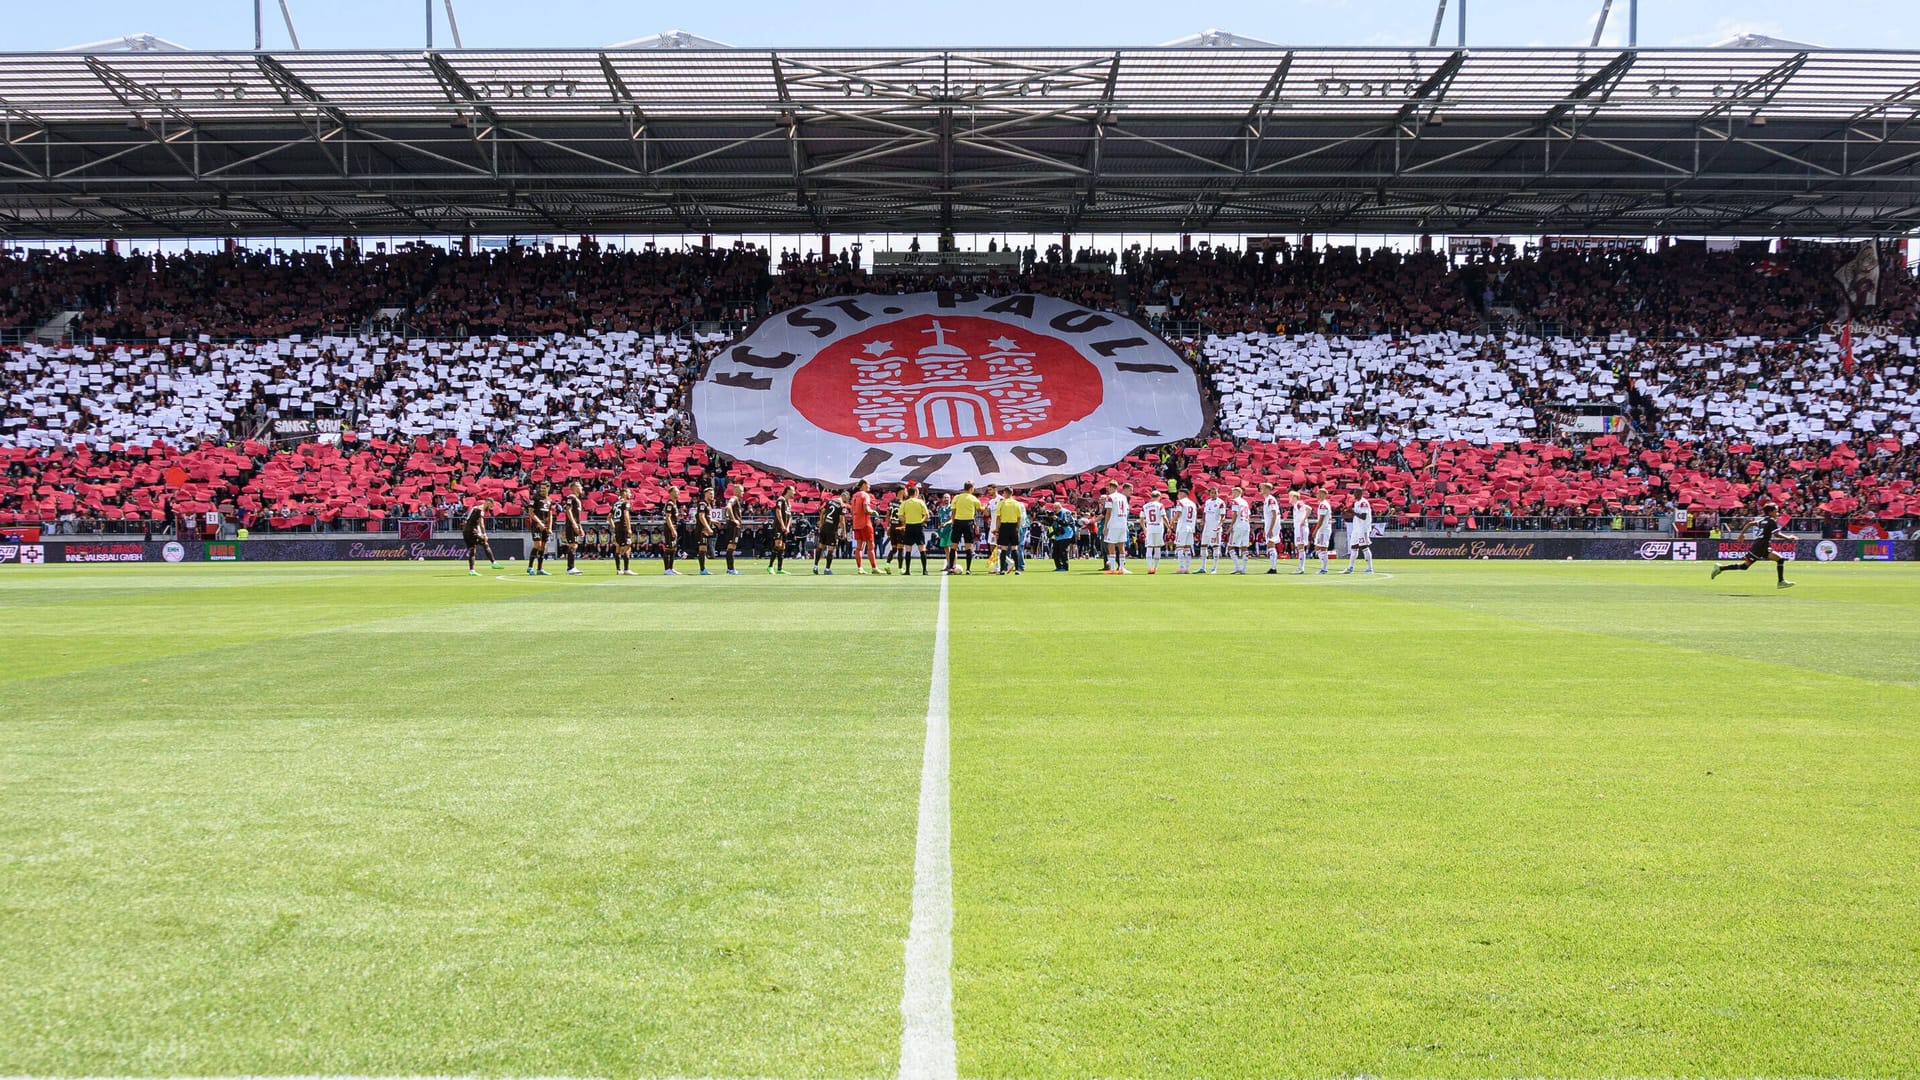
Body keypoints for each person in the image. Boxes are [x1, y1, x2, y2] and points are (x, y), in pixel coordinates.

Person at [1711, 503, 1796, 588]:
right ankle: (1720, 568)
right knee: (1745, 566)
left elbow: (1750, 523)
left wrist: (1742, 534)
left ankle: (1781, 582)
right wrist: (1789, 538)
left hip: (1763, 546)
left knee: (1780, 559)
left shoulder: (1763, 520)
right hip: (1759, 547)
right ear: (1770, 512)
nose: (1777, 513)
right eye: (1776, 511)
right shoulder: (1771, 521)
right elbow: (1776, 534)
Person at [946, 481, 981, 574]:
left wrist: (953, 523)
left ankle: (950, 568)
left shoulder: (957, 498)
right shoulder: (974, 499)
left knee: (953, 545)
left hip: (958, 522)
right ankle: (968, 569)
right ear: (971, 488)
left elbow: (953, 512)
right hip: (968, 523)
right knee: (968, 546)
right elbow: (980, 509)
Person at [849, 479, 879, 574]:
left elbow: (852, 510)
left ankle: (860, 568)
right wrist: (873, 512)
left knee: (859, 547)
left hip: (856, 523)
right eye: (868, 484)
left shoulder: (854, 495)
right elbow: (866, 509)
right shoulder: (865, 495)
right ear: (864, 484)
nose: (869, 486)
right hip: (865, 523)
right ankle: (874, 568)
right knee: (871, 546)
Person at [899, 484, 931, 575]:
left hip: (909, 526)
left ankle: (908, 570)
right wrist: (921, 521)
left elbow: (900, 516)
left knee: (908, 549)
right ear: (916, 493)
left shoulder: (904, 503)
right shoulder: (920, 502)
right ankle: (924, 570)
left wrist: (906, 522)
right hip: (918, 526)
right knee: (922, 548)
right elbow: (927, 515)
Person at [1101, 481, 1131, 574]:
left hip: (1114, 524)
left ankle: (1113, 568)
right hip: (1122, 523)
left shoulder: (1110, 497)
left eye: (1108, 487)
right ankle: (1122, 568)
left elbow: (1108, 512)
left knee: (1111, 545)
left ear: (1111, 487)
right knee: (1121, 545)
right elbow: (1126, 510)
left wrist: (1105, 526)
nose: (1107, 489)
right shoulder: (1123, 497)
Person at [463, 497, 499, 575]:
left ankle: (471, 571)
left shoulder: (475, 508)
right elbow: (481, 524)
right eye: (491, 506)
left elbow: (469, 520)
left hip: (465, 531)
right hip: (472, 531)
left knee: (472, 550)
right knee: (485, 543)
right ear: (488, 502)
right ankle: (494, 563)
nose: (490, 509)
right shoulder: (480, 510)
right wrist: (484, 534)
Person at [1342, 491, 1375, 574]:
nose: (1354, 495)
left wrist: (1352, 512)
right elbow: (1356, 515)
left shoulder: (1364, 503)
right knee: (1354, 547)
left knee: (1364, 547)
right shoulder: (1357, 503)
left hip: (1363, 528)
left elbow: (1363, 517)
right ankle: (1350, 567)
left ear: (1360, 493)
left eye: (1356, 493)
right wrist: (1347, 513)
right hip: (1356, 528)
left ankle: (1370, 568)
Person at [814, 492, 845, 575]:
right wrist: (844, 532)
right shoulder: (842, 506)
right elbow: (842, 520)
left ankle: (815, 566)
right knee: (831, 549)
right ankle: (827, 569)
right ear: (845, 497)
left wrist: (821, 522)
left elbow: (822, 511)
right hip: (832, 529)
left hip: (824, 527)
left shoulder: (829, 501)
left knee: (820, 546)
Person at [994, 487, 1024, 574]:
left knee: (1003, 548)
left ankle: (1002, 569)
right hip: (1014, 526)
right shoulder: (1017, 503)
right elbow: (1019, 518)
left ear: (1006, 493)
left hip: (1004, 526)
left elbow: (998, 517)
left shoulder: (1001, 503)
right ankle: (1017, 569)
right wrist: (1017, 528)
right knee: (1014, 548)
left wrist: (997, 528)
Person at [526, 482, 553, 576]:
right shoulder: (535, 498)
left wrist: (549, 527)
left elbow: (550, 514)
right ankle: (530, 567)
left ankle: (540, 569)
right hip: (536, 525)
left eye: (544, 488)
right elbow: (530, 512)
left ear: (548, 488)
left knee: (543, 547)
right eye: (541, 488)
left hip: (545, 526)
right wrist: (539, 522)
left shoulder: (549, 500)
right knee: (538, 545)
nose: (542, 490)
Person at [1225, 485, 1252, 574]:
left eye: (1233, 492)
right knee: (1244, 547)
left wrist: (1231, 526)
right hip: (1246, 525)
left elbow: (1235, 514)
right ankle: (1244, 568)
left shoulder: (1235, 502)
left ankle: (1237, 567)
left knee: (1230, 547)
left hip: (1238, 526)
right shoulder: (1245, 502)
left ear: (1237, 493)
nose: (1231, 494)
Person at [561, 482, 586, 575]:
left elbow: (577, 516)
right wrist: (574, 524)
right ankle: (570, 568)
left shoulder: (577, 499)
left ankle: (571, 567)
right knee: (573, 545)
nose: (582, 487)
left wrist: (580, 526)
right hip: (571, 525)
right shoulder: (571, 497)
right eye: (580, 486)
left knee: (574, 545)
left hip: (575, 525)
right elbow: (568, 510)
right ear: (574, 487)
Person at [609, 488, 635, 575]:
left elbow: (609, 517)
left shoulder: (615, 504)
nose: (630, 494)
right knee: (628, 547)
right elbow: (626, 515)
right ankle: (626, 569)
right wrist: (629, 528)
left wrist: (614, 526)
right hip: (624, 527)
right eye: (629, 492)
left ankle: (618, 569)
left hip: (617, 528)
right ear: (624, 493)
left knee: (618, 548)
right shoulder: (625, 503)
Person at [1200, 487, 1226, 574]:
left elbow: (1223, 516)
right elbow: (1205, 513)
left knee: (1215, 546)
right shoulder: (1207, 502)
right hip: (1207, 527)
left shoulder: (1221, 503)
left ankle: (1214, 568)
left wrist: (1220, 525)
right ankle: (1203, 567)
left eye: (1215, 492)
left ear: (1218, 493)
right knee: (1203, 546)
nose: (1213, 494)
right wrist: (1203, 521)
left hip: (1215, 527)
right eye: (1211, 492)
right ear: (1209, 493)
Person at [768, 485, 793, 575]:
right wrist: (782, 525)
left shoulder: (789, 503)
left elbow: (790, 516)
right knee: (778, 544)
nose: (794, 493)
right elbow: (778, 512)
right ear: (788, 490)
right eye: (793, 491)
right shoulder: (781, 499)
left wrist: (788, 527)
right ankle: (770, 566)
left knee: (783, 547)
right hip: (778, 526)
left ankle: (779, 568)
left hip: (785, 528)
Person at [1140, 490, 1166, 574]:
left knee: (1149, 547)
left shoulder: (1145, 506)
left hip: (1150, 528)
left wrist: (1144, 528)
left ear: (1151, 496)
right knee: (1157, 548)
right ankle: (1155, 568)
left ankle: (1149, 568)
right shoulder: (1160, 505)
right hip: (1158, 528)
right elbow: (1164, 517)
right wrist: (1169, 526)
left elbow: (1141, 519)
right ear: (1159, 497)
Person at [660, 484, 684, 575]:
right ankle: (667, 569)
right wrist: (672, 529)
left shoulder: (674, 504)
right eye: (676, 492)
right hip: (670, 528)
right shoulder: (670, 504)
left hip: (674, 526)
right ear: (671, 493)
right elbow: (668, 517)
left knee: (673, 548)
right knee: (669, 548)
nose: (678, 493)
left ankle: (671, 568)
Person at [1260, 481, 1283, 574]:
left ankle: (1274, 568)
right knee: (1270, 544)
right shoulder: (1267, 500)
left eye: (1263, 488)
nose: (1261, 489)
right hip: (1270, 524)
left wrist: (1270, 529)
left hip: (1272, 525)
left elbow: (1274, 515)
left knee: (1271, 543)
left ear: (1268, 489)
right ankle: (1273, 567)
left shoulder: (1270, 500)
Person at [693, 488, 717, 576]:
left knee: (704, 549)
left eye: (713, 494)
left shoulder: (708, 505)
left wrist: (714, 522)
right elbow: (701, 517)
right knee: (702, 548)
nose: (712, 495)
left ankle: (703, 569)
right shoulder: (702, 504)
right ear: (705, 494)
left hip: (705, 530)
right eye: (710, 494)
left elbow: (707, 517)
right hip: (702, 530)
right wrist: (708, 528)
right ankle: (702, 570)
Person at [1173, 489, 1197, 573]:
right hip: (1190, 527)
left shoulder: (1181, 502)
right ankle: (1187, 568)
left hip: (1182, 526)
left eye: (1179, 494)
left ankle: (1181, 567)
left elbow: (1178, 513)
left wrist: (1172, 521)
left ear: (1182, 494)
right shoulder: (1193, 503)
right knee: (1187, 548)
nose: (1178, 496)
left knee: (1179, 547)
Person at [721, 489, 744, 575]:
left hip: (733, 526)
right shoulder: (734, 498)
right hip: (733, 526)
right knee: (731, 546)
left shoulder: (737, 500)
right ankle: (730, 569)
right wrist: (734, 519)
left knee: (732, 547)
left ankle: (730, 569)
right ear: (737, 492)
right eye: (742, 491)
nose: (743, 493)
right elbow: (728, 506)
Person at [1291, 488, 1314, 574]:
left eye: (1290, 496)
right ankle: (1300, 567)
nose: (1289, 498)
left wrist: (1303, 520)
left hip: (1300, 528)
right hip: (1298, 527)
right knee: (1299, 547)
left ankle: (1301, 568)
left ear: (1294, 497)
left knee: (1300, 547)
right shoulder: (1296, 505)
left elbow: (1309, 508)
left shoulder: (1298, 503)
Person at [1313, 489, 1335, 574]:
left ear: (1322, 494)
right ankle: (1323, 567)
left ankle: (1324, 569)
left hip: (1323, 529)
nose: (1317, 495)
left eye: (1318, 493)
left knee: (1323, 548)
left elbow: (1321, 519)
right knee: (1317, 548)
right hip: (1323, 529)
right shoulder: (1323, 504)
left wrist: (1315, 530)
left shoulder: (1323, 505)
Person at [1050, 502, 1075, 571]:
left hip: (1066, 535)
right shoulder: (1054, 513)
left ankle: (1065, 567)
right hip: (1058, 535)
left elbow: (1066, 523)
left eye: (1056, 508)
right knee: (1055, 552)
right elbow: (1051, 524)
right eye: (1054, 508)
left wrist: (1057, 519)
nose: (1054, 510)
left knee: (1063, 551)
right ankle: (1059, 567)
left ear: (1059, 507)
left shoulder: (1066, 512)